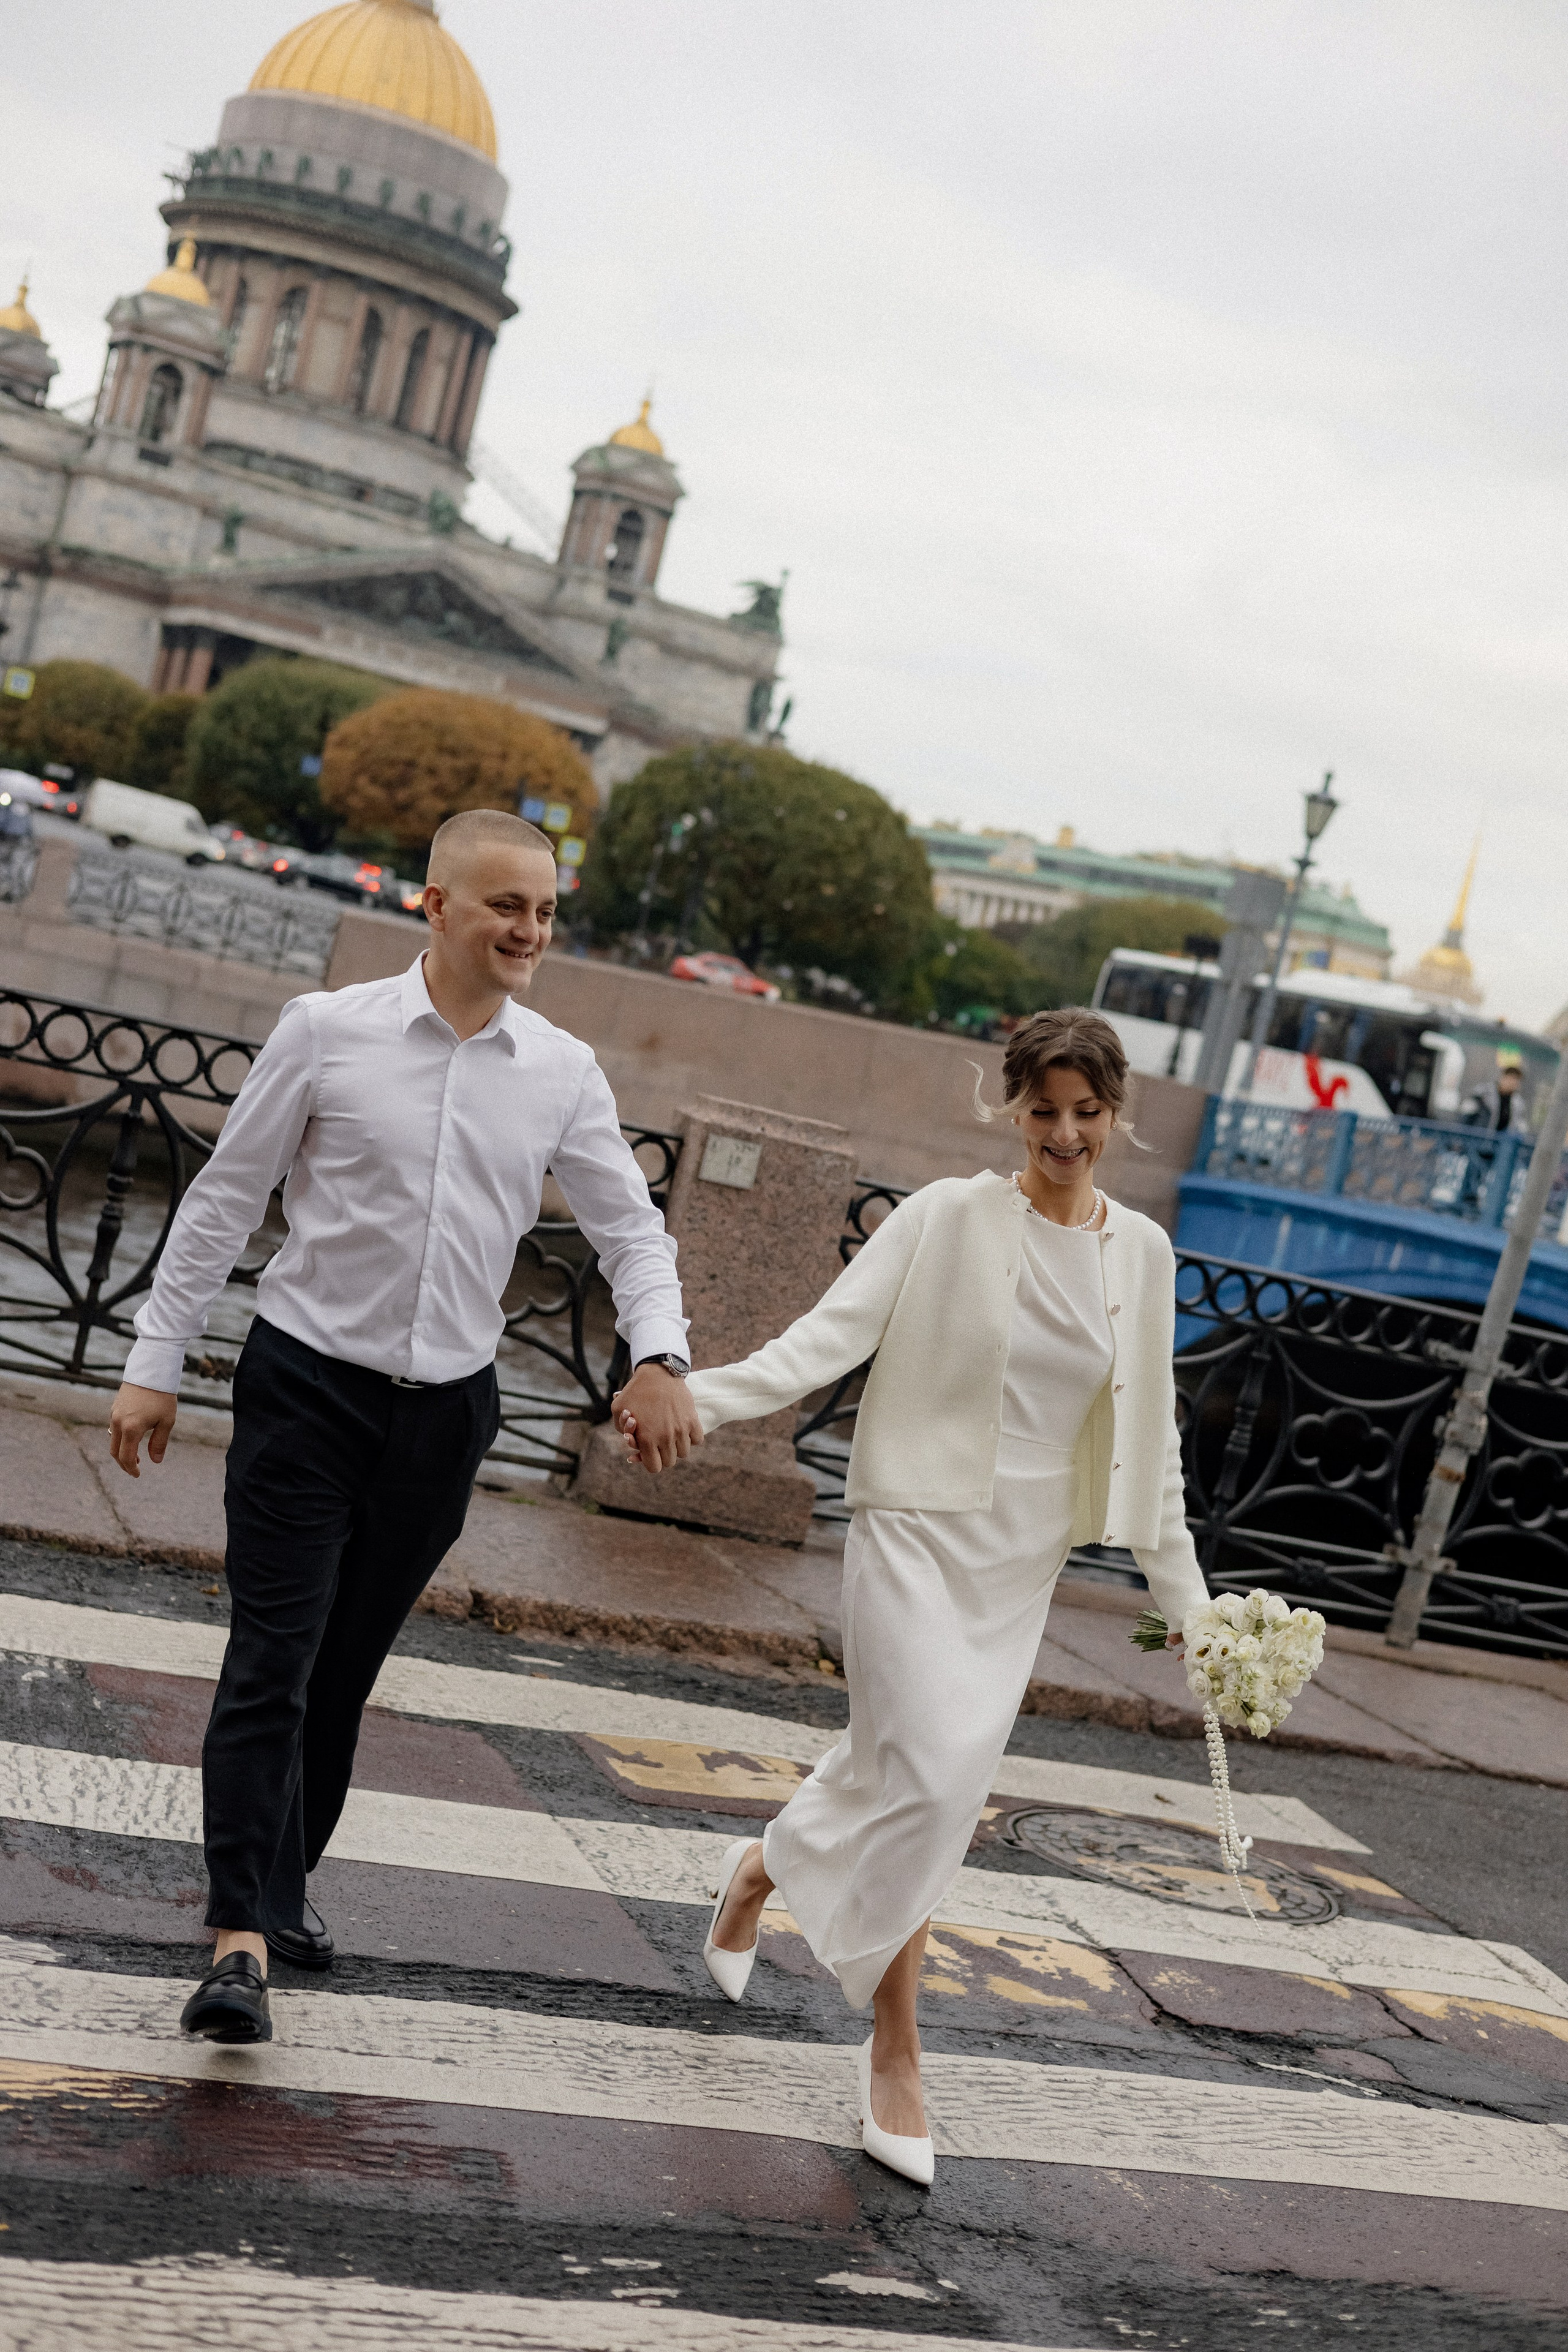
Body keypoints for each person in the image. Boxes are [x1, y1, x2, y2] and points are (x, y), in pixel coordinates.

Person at [108, 809, 703, 2046]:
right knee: (273, 1658)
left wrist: (659, 1355)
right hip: (306, 1390)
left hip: (445, 1417)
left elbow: (632, 1233)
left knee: (342, 1675)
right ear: (434, 905)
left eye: (545, 911)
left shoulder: (562, 1071)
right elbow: (226, 1198)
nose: (530, 931)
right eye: (506, 906)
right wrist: (153, 1362)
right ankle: (237, 1941)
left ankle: (282, 1888)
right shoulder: (326, 1031)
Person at [619, 1008, 1202, 2184]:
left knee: (900, 1772)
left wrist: (1195, 1614)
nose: (1066, 1134)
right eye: (1044, 1110)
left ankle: (762, 1870)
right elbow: (818, 1344)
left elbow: (1155, 1450)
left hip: (1019, 1566)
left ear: (1116, 1115)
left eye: (1088, 1113)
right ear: (1011, 1108)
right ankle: (897, 2052)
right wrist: (697, 1399)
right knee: (931, 1785)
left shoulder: (1143, 1254)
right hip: (912, 1537)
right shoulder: (944, 1217)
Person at [1464, 1048, 1525, 1131]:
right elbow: (1467, 1114)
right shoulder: (1483, 1093)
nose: (1512, 1082)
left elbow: (1517, 1126)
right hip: (1478, 1136)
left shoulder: (1518, 1104)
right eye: (1510, 1078)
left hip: (1500, 1139)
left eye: (1516, 1080)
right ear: (1502, 1077)